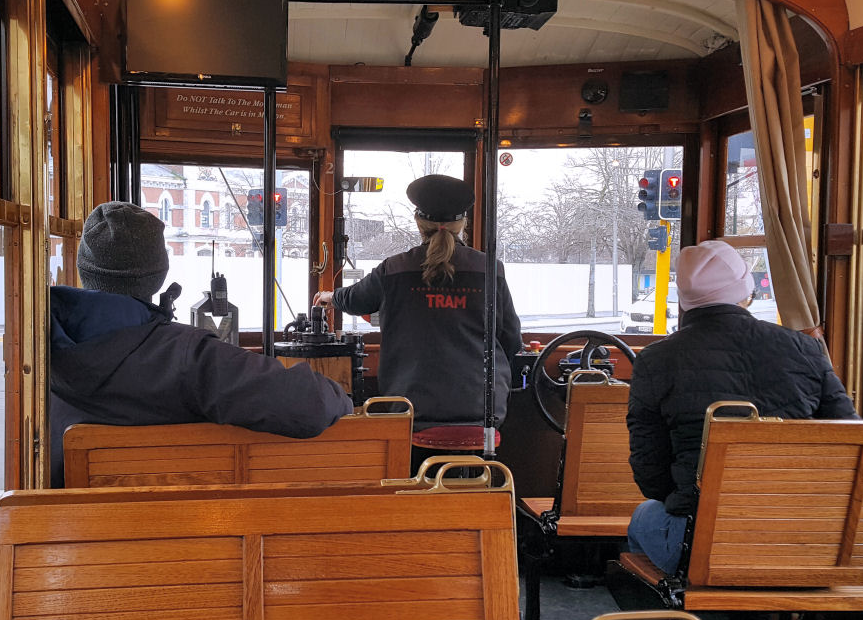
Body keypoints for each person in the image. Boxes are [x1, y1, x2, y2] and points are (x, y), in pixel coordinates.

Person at [623, 239, 855, 620]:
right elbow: (848, 446)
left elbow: (650, 475)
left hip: (702, 543)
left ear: (685, 301)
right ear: (745, 293)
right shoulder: (805, 349)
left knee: (644, 519)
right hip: (805, 541)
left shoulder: (657, 360)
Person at [48, 202, 354, 487]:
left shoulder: (41, 343)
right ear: (157, 275)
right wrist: (344, 400)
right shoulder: (185, 357)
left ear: (84, 268)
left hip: (66, 528)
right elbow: (308, 404)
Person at [314, 175, 522, 467]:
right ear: (463, 223)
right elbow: (512, 340)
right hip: (483, 412)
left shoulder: (394, 269)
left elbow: (354, 299)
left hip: (409, 412)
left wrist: (328, 296)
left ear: (418, 222)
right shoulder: (490, 270)